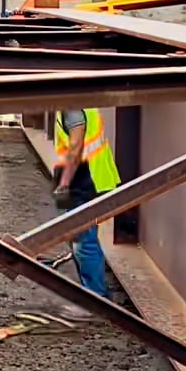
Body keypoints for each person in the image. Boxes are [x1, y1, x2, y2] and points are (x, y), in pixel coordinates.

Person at [53, 108, 121, 298]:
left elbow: (75, 148)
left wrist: (64, 182)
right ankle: (91, 291)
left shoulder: (72, 109)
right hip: (86, 179)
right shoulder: (80, 104)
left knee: (84, 243)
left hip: (84, 181)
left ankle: (96, 297)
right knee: (77, 238)